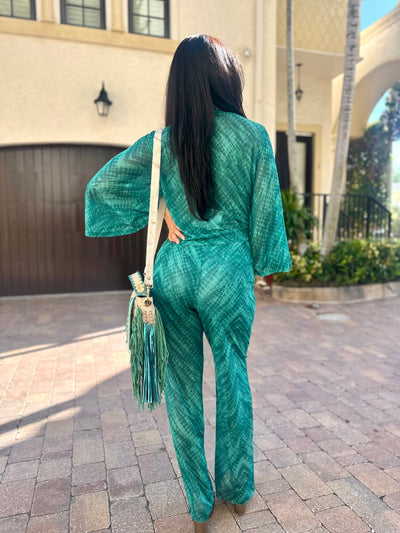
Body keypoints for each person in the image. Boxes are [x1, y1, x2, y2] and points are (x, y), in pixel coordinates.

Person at [85, 34, 292, 533]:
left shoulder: (164, 140)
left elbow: (101, 186)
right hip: (228, 271)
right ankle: (236, 491)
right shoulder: (253, 137)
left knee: (181, 388)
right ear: (227, 77)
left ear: (179, 82)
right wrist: (263, 264)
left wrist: (163, 208)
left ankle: (199, 506)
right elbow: (265, 215)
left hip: (174, 270)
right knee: (232, 376)